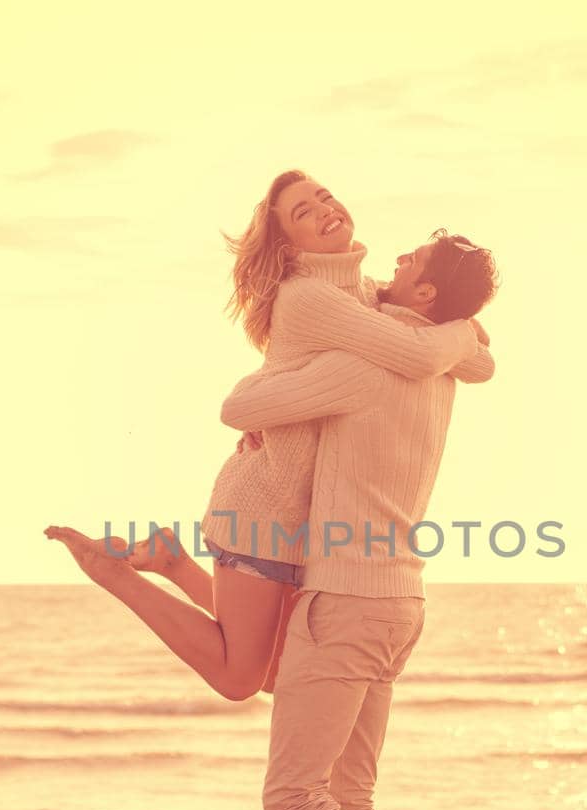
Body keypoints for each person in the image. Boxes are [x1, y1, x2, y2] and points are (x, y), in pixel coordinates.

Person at [47, 170, 491, 707]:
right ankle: (114, 575)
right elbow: (422, 357)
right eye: (303, 212)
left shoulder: (370, 293)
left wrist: (459, 335)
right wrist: (462, 330)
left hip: (306, 524)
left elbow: (481, 367)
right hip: (263, 504)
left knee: (285, 673)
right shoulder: (310, 297)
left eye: (325, 196)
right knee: (241, 679)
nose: (325, 209)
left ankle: (173, 562)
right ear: (288, 243)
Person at [218, 229, 501, 810]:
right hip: (401, 601)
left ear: (424, 296)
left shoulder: (360, 367)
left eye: (407, 265)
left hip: (343, 599)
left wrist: (284, 403)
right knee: (354, 794)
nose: (389, 269)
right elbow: (479, 352)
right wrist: (455, 333)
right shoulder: (443, 367)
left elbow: (237, 405)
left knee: (293, 797)